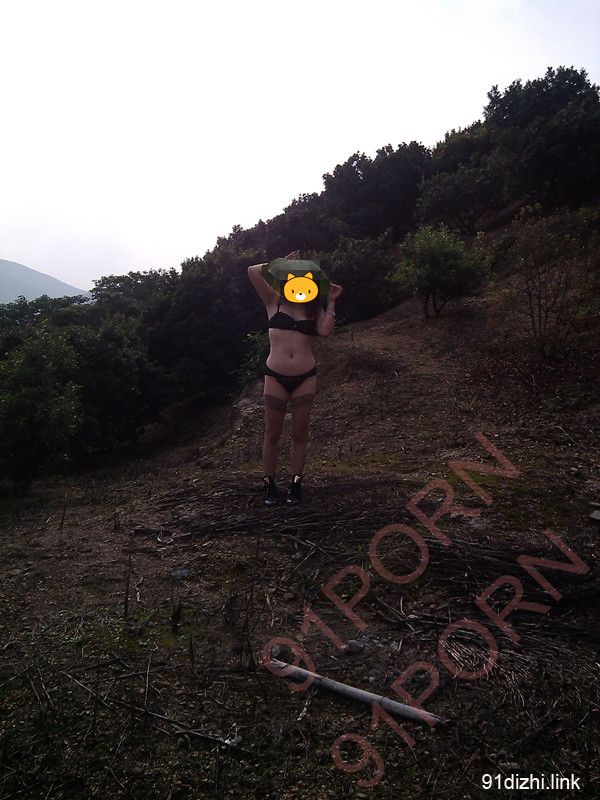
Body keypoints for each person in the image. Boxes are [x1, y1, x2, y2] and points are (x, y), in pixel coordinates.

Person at [247, 251, 342, 505]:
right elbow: (252, 271)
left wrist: (331, 302)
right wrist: (280, 262)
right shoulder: (273, 300)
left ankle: (296, 485)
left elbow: (325, 331)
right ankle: (269, 485)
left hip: (305, 377)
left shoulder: (314, 309)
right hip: (275, 376)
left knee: (300, 433)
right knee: (272, 434)